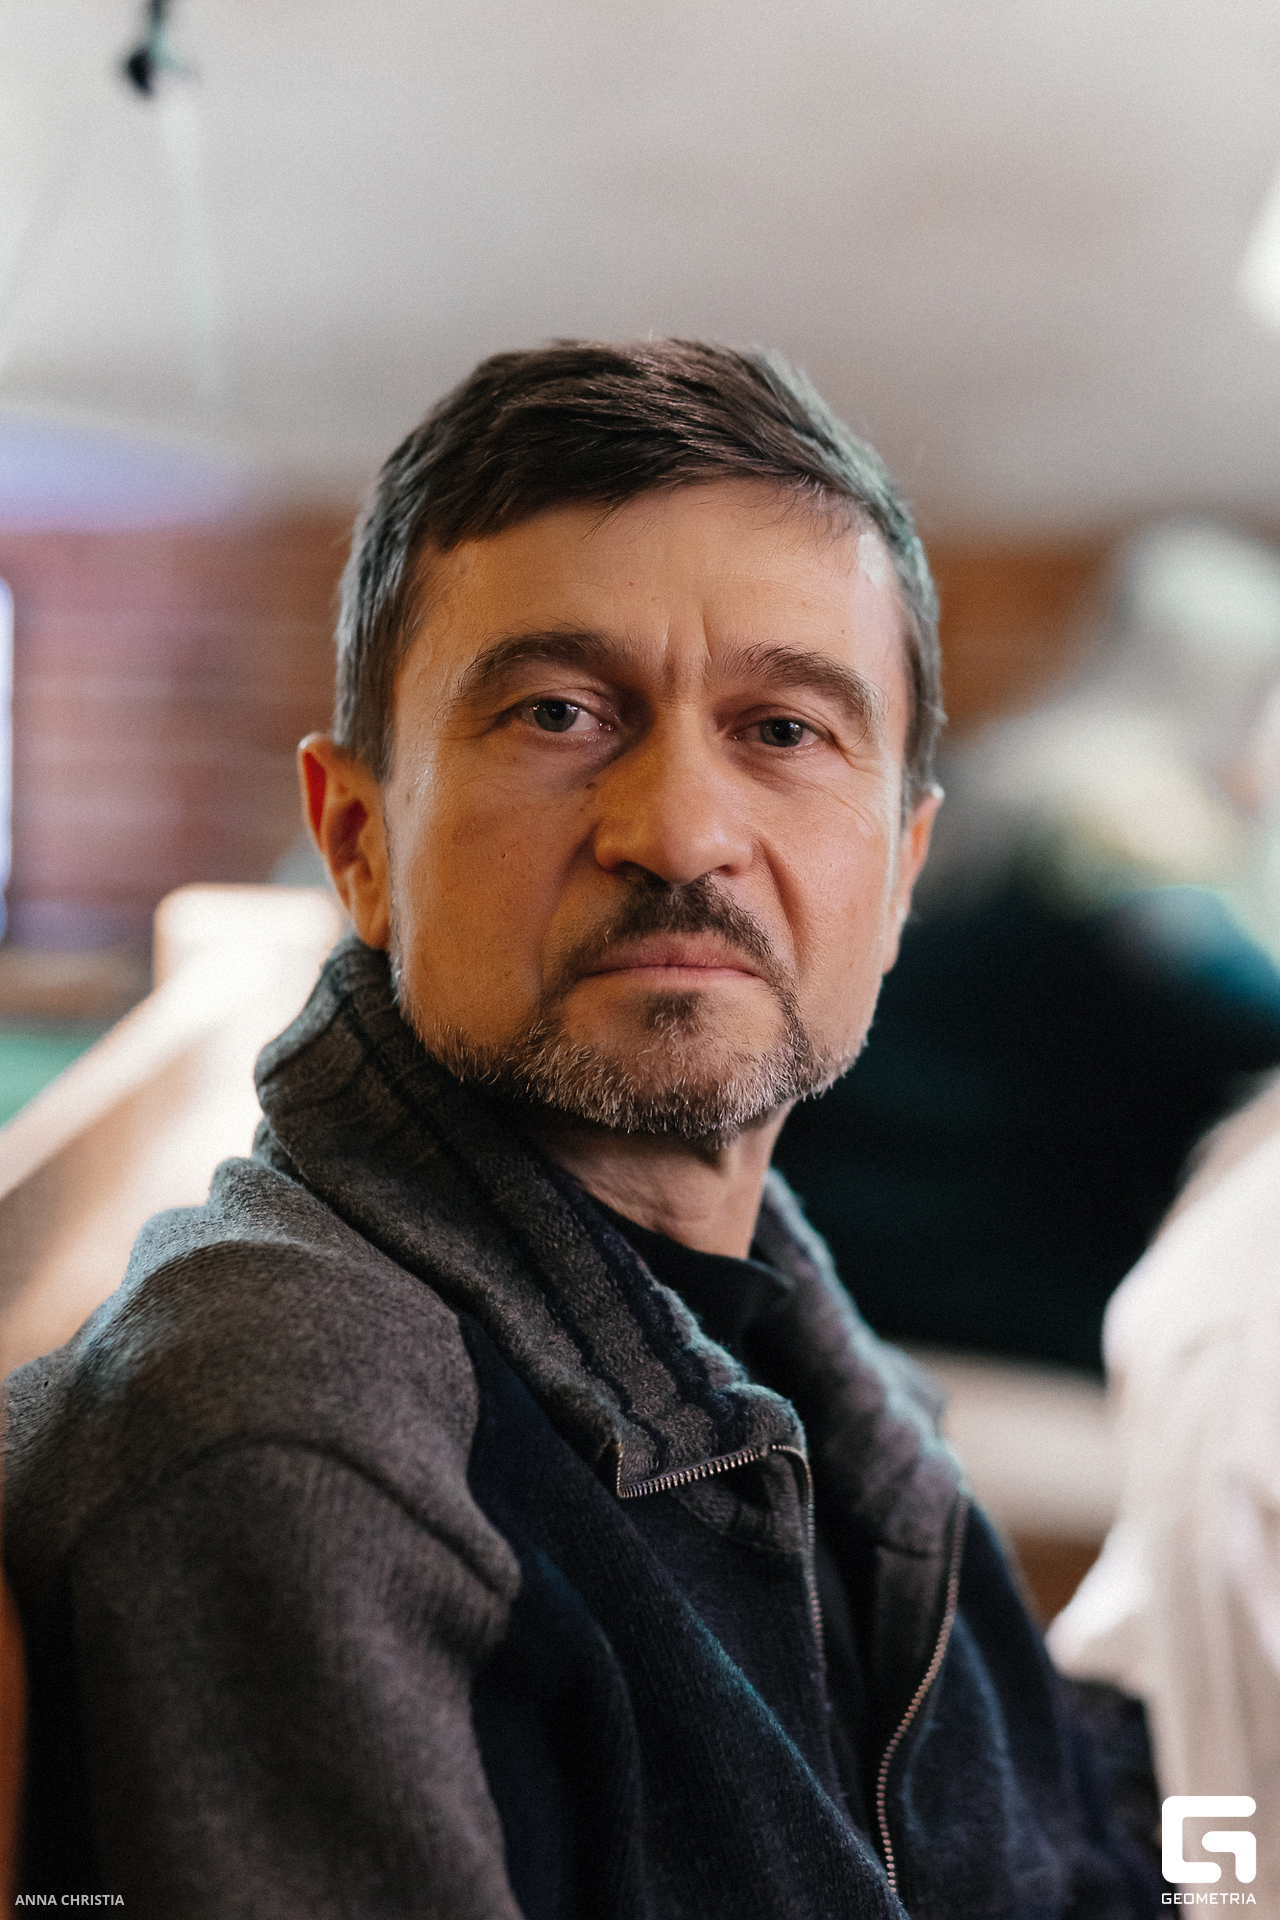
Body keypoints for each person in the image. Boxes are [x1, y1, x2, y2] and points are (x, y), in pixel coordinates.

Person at [2, 341, 1156, 1917]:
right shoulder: (297, 1445)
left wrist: (1228, 1846)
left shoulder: (816, 1365)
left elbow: (1104, 1848)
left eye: (784, 730)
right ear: (357, 840)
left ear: (901, 871)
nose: (679, 832)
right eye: (557, 713)